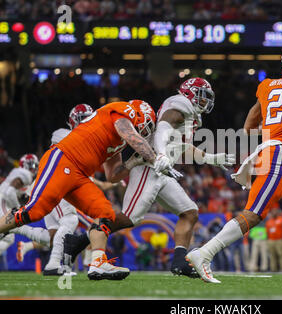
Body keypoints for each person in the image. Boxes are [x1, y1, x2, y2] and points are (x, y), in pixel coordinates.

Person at [186, 43, 282, 283]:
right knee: (254, 214)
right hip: (279, 154)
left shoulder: (267, 85)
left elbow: (248, 128)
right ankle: (204, 253)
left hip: (273, 153)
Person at [63, 81, 235, 278]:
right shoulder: (180, 103)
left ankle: (180, 262)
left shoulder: (192, 117)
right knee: (129, 218)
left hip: (162, 171)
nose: (205, 100)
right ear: (189, 93)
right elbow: (162, 127)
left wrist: (210, 158)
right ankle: (78, 241)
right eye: (202, 95)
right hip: (148, 167)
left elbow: (180, 146)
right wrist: (160, 154)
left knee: (190, 212)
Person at [0, 99, 174, 280]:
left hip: (80, 175)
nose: (144, 132)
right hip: (64, 161)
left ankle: (98, 263)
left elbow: (113, 175)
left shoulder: (120, 140)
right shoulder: (122, 112)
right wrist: (156, 158)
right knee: (35, 211)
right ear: (137, 114)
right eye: (145, 125)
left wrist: (133, 162)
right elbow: (130, 134)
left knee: (105, 212)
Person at [265, 207, 282, 272]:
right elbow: (267, 232)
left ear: (277, 212)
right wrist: (268, 240)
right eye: (273, 212)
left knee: (281, 255)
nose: (274, 213)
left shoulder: (281, 219)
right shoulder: (268, 221)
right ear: (271, 213)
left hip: (279, 240)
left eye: (275, 211)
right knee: (272, 255)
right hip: (271, 240)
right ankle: (273, 269)